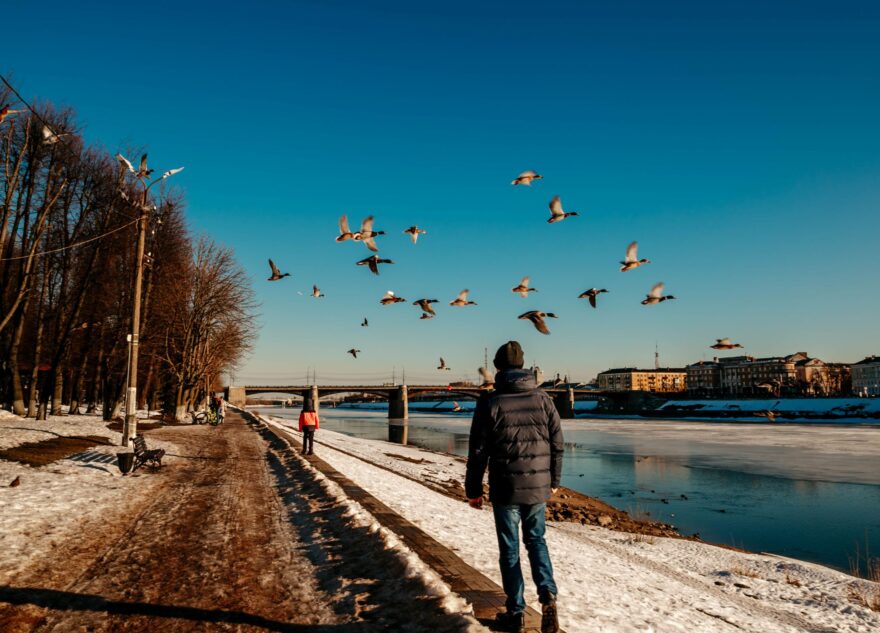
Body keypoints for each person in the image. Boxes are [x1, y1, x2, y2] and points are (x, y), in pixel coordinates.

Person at [465, 341, 563, 633]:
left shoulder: (490, 402)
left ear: (497, 368)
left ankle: (516, 612)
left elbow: (478, 451)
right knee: (537, 541)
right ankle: (547, 596)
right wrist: (554, 481)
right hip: (537, 486)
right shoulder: (544, 399)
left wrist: (473, 490)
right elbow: (557, 444)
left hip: (505, 486)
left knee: (510, 549)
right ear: (523, 366)